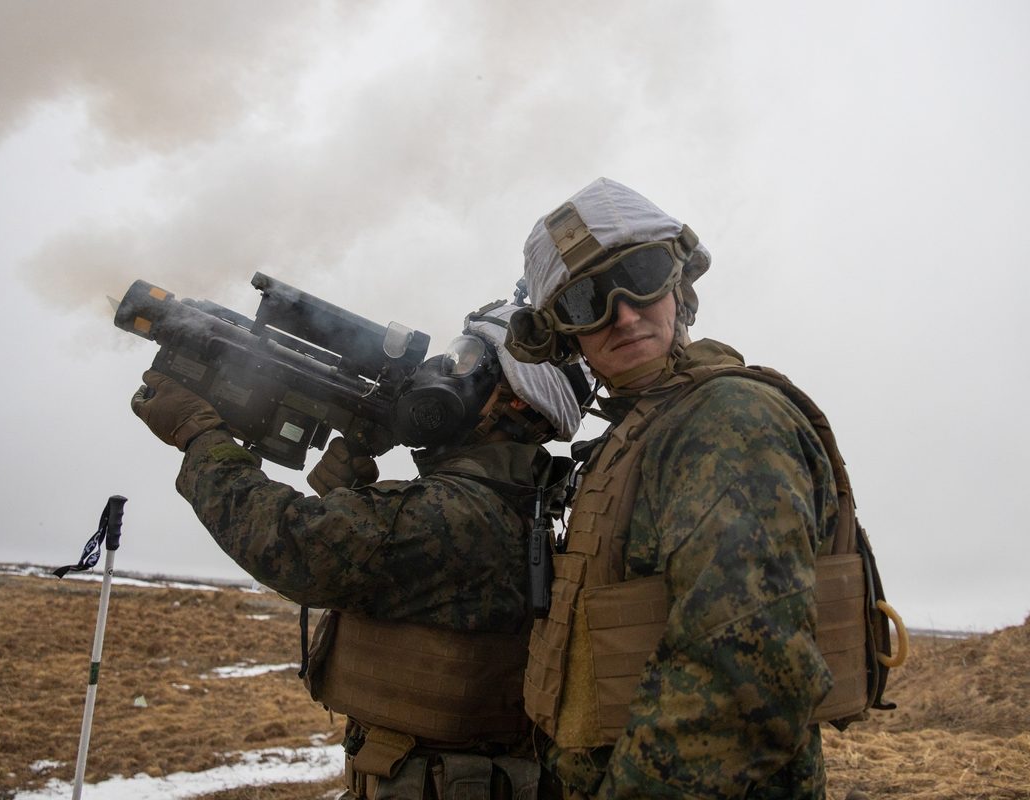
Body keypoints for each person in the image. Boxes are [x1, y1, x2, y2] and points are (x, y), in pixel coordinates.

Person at [131, 300, 582, 800]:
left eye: (467, 360)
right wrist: (354, 499)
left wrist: (199, 435)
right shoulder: (505, 501)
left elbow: (290, 544)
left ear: (515, 404)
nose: (443, 368)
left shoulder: (459, 511)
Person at [504, 178, 838, 799]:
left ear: (679, 287)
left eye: (641, 275)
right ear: (564, 336)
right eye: (586, 301)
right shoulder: (641, 431)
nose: (624, 314)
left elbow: (744, 682)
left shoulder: (724, 421)